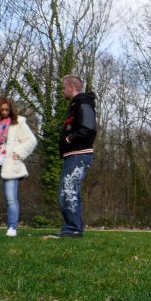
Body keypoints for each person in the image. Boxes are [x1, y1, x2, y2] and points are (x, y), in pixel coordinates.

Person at [0, 97, 37, 236]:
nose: (5, 112)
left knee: (11, 198)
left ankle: (12, 227)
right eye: (2, 110)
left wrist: (19, 152)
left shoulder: (17, 123)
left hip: (10, 164)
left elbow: (31, 140)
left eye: (7, 109)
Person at [54, 74, 97, 237]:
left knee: (68, 190)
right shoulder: (76, 104)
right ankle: (73, 228)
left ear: (72, 87)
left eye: (63, 88)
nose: (62, 91)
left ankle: (73, 229)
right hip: (73, 155)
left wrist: (69, 138)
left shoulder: (82, 103)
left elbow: (88, 128)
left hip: (79, 155)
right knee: (68, 191)